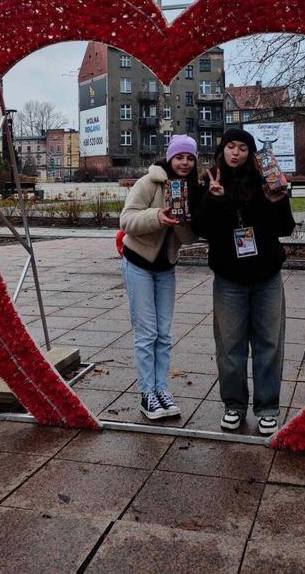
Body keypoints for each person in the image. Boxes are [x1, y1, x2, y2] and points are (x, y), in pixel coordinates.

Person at [192, 128, 295, 436]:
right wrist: (214, 199)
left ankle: (268, 408)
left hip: (266, 275)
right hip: (229, 278)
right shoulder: (211, 180)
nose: (235, 153)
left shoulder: (265, 181)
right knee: (229, 345)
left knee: (269, 343)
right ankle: (234, 405)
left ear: (251, 154)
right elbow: (201, 228)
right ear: (222, 150)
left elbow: (285, 229)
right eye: (230, 147)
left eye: (242, 149)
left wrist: (276, 201)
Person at [119, 134, 200, 420]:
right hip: (138, 264)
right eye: (180, 157)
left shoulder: (192, 189)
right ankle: (147, 394)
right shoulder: (148, 182)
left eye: (190, 158)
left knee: (163, 334)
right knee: (146, 333)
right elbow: (126, 220)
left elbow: (190, 238)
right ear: (170, 157)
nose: (185, 162)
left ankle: (161, 389)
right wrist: (157, 216)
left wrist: (181, 221)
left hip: (166, 268)